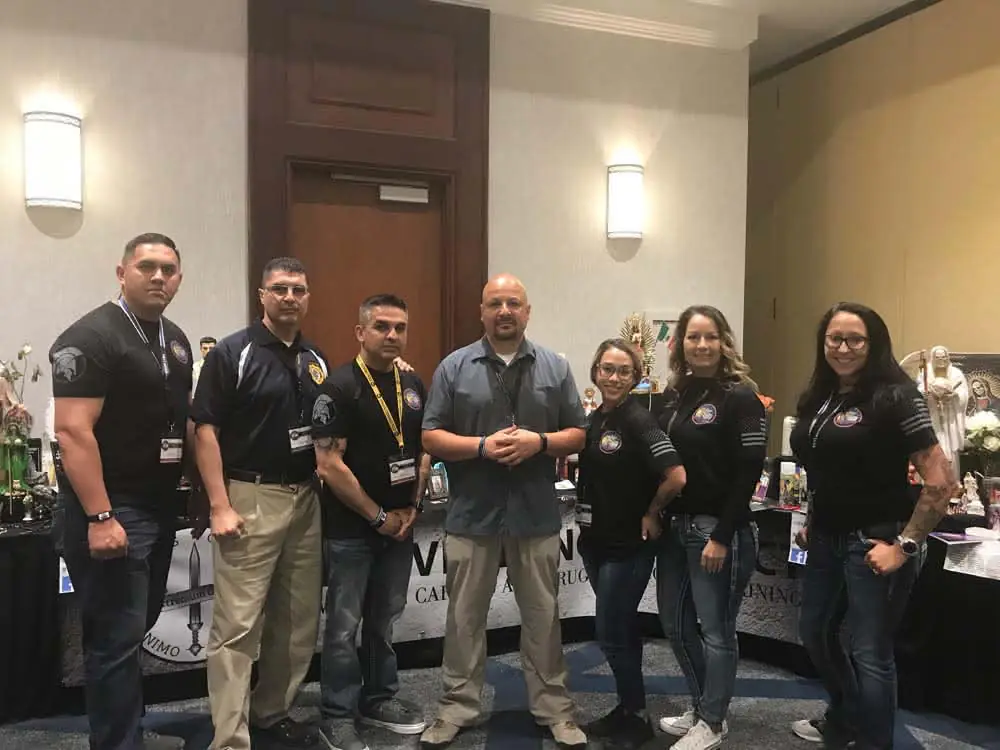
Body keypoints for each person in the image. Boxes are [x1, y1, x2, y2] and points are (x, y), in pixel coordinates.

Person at [419, 273, 588, 748]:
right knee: (463, 620)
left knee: (543, 618)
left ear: (527, 311)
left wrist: (541, 442)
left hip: (535, 515)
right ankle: (457, 707)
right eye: (495, 303)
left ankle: (555, 710)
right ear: (482, 312)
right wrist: (480, 446)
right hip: (471, 516)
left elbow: (579, 433)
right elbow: (430, 436)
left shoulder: (555, 367)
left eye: (514, 303)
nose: (505, 311)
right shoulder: (454, 367)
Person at [51, 232, 194, 750]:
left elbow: (180, 421)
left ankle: (126, 732)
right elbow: (72, 432)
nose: (158, 277)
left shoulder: (174, 339)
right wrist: (99, 516)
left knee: (134, 630)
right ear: (121, 273)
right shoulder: (89, 337)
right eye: (147, 266)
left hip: (158, 507)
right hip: (112, 509)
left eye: (169, 270)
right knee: (114, 640)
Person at [788, 302, 953, 750]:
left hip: (876, 539)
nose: (843, 348)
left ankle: (874, 741)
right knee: (814, 633)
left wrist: (905, 546)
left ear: (873, 343)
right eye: (834, 339)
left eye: (855, 339)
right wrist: (813, 519)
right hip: (826, 538)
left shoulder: (896, 395)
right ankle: (847, 717)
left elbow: (941, 481)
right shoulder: (821, 395)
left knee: (871, 653)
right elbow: (822, 468)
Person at [192, 257, 329, 750]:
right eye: (280, 289)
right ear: (262, 296)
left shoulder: (315, 357)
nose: (290, 297)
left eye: (299, 289)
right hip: (249, 497)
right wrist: (219, 504)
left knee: (298, 619)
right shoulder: (232, 353)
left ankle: (271, 711)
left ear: (308, 297)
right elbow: (204, 430)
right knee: (238, 626)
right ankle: (230, 737)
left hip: (305, 498)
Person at [311, 294, 431, 750]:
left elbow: (422, 451)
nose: (392, 335)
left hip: (399, 527)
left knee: (384, 620)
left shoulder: (413, 384)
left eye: (400, 327)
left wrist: (412, 509)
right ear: (360, 332)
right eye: (381, 326)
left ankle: (379, 697)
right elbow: (329, 465)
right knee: (343, 627)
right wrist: (377, 516)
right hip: (352, 530)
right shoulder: (338, 388)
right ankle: (337, 714)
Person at [655, 305, 766, 750]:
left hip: (719, 530)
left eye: (710, 337)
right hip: (675, 526)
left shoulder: (741, 397)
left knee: (716, 631)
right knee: (674, 624)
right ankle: (703, 706)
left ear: (724, 342)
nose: (702, 345)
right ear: (680, 344)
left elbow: (749, 471)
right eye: (693, 337)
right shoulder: (675, 394)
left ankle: (714, 721)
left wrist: (722, 535)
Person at [577, 339, 686, 747]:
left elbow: (675, 475)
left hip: (629, 545)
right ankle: (629, 708)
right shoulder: (595, 418)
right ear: (595, 371)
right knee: (618, 628)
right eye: (607, 369)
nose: (614, 377)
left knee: (611, 629)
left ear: (636, 378)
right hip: (596, 540)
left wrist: (653, 511)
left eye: (624, 371)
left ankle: (636, 716)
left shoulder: (639, 420)